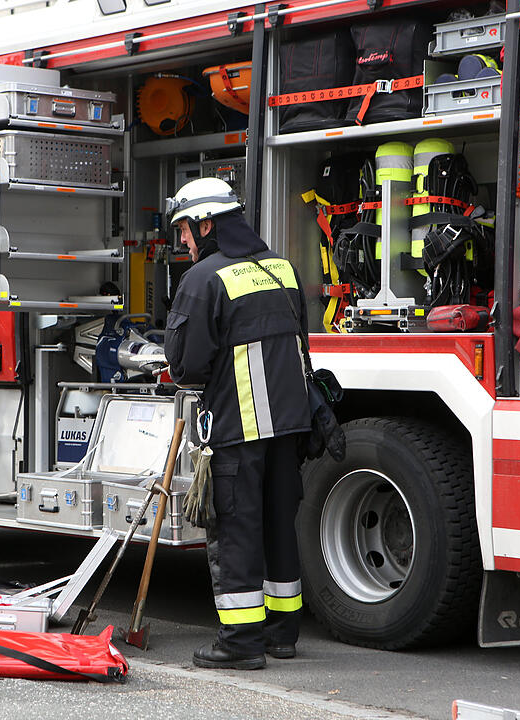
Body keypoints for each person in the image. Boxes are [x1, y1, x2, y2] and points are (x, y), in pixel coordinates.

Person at [164, 177, 311, 670]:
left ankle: (241, 642)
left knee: (236, 531)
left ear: (207, 225)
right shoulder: (283, 269)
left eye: (185, 229)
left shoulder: (203, 279)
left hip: (238, 428)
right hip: (289, 428)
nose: (183, 240)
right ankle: (281, 633)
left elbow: (186, 367)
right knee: (278, 526)